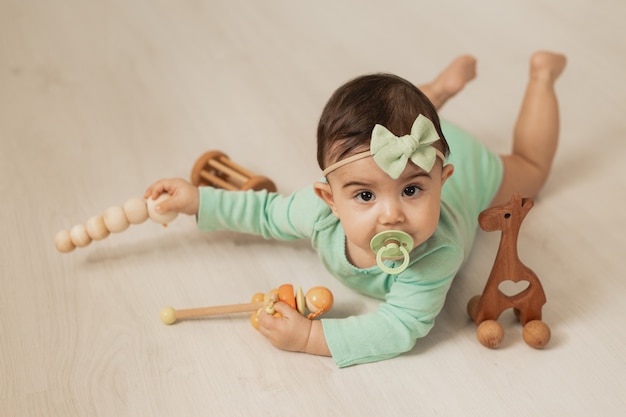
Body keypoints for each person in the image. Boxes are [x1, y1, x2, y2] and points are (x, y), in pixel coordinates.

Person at [145, 51, 567, 367]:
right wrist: (198, 200)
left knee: (532, 169)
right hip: (410, 140)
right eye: (365, 196)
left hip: (457, 157)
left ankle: (542, 76)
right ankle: (435, 94)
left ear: (442, 181)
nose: (391, 215)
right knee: (396, 114)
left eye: (413, 191)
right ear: (329, 198)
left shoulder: (435, 255)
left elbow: (399, 328)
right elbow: (264, 212)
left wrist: (310, 336)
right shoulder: (318, 214)